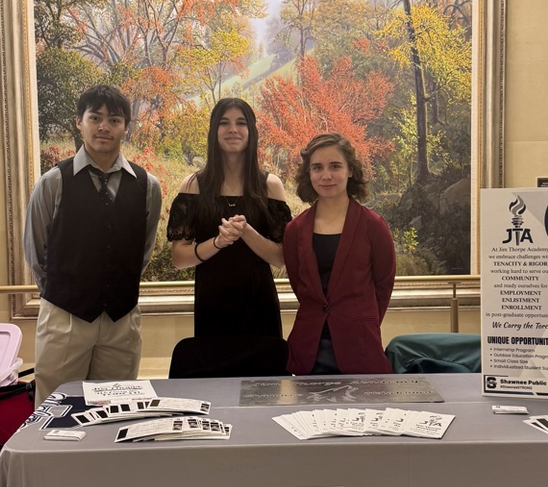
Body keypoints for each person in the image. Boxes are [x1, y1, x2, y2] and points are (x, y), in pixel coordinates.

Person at [24, 84, 162, 406]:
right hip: (65, 316)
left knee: (115, 413)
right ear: (79, 122)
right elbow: (36, 252)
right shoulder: (53, 182)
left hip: (121, 321)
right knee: (56, 412)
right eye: (95, 117)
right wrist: (66, 292)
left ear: (125, 127)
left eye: (114, 120)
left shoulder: (148, 187)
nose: (104, 126)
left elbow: (142, 250)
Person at [167, 97, 290, 375]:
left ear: (251, 132)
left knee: (263, 390)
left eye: (240, 123)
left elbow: (282, 257)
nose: (232, 129)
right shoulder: (193, 185)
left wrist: (246, 232)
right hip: (213, 303)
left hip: (260, 305)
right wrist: (218, 242)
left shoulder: (270, 186)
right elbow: (179, 258)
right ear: (214, 131)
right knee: (213, 387)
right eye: (224, 123)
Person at [283, 133, 396, 375]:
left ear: (350, 171)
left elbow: (383, 287)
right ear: (309, 174)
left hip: (360, 350)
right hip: (308, 352)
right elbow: (300, 287)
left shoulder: (373, 225)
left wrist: (359, 321)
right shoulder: (294, 230)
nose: (326, 175)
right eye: (317, 168)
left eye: (335, 166)